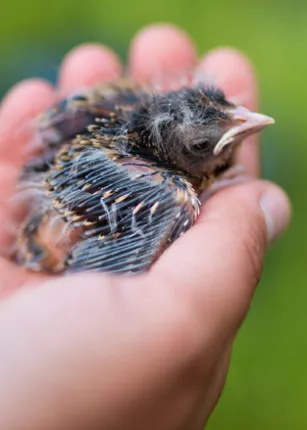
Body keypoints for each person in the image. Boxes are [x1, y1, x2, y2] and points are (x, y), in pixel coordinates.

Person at [0, 24, 291, 429]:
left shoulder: (145, 127)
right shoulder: (169, 193)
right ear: (184, 159)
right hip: (50, 233)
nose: (246, 119)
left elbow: (57, 127)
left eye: (227, 107)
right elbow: (92, 256)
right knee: (175, 204)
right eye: (200, 146)